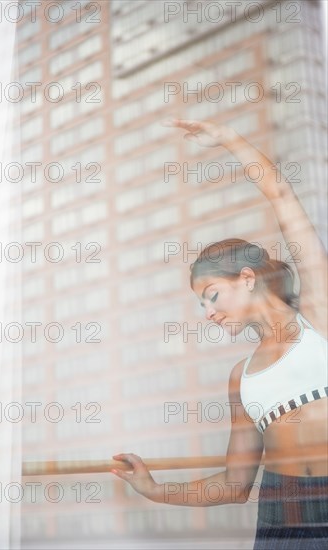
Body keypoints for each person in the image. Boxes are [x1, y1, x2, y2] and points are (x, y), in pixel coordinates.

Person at [111, 120, 328, 548]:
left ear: (247, 277)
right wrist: (154, 490)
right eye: (202, 305)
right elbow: (234, 484)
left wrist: (229, 138)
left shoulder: (319, 316)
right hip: (283, 511)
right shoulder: (240, 377)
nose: (209, 313)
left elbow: (280, 194)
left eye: (212, 295)